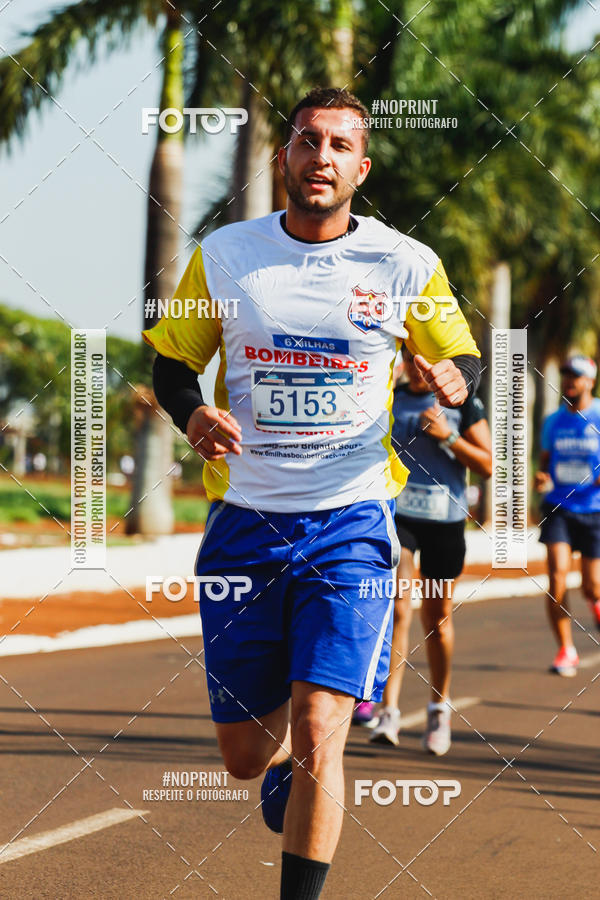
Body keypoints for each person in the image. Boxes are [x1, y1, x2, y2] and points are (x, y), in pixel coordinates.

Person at [143, 86, 481, 900]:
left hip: (352, 521)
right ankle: (277, 767)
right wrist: (192, 417)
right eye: (306, 141)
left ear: (360, 167)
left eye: (337, 146)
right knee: (244, 754)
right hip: (246, 524)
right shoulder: (225, 254)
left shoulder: (406, 263)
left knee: (321, 731)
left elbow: (462, 360)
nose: (319, 157)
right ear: (283, 156)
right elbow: (171, 365)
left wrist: (453, 379)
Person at [369, 345, 492, 753]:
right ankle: (389, 712)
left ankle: (439, 709)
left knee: (436, 618)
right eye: (410, 357)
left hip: (444, 523)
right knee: (399, 607)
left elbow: (489, 464)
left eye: (426, 358)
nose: (418, 367)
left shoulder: (463, 404)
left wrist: (449, 436)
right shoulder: (391, 398)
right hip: (401, 519)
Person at [535, 354, 600, 677]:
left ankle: (596, 604)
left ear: (590, 381)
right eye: (566, 376)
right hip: (559, 506)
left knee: (593, 585)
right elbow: (545, 463)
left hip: (595, 508)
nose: (569, 382)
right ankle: (566, 649)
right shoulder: (553, 421)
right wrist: (541, 477)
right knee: (558, 577)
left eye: (575, 376)